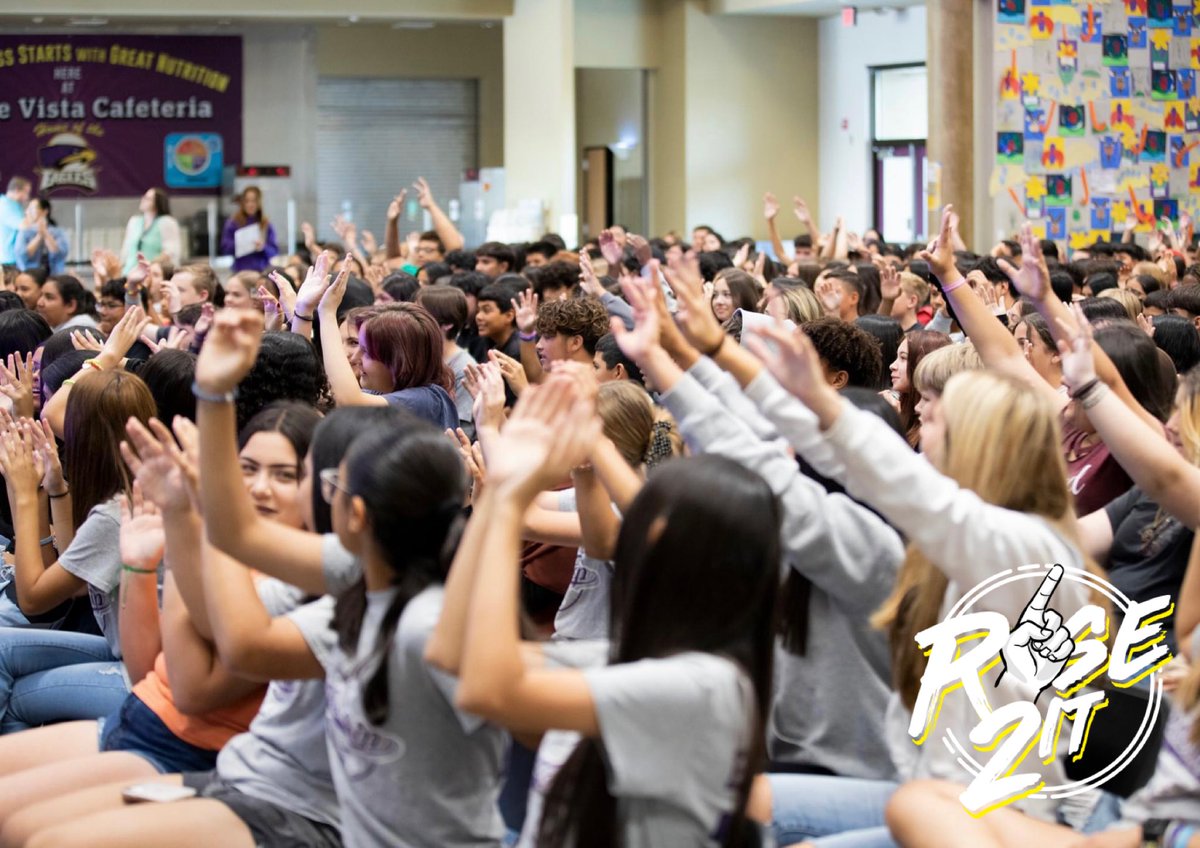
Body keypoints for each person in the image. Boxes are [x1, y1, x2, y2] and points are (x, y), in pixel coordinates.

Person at [192, 308, 508, 846]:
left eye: (312, 479)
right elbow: (236, 534)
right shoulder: (369, 562)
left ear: (354, 511)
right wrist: (215, 395)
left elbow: (244, 646)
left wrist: (509, 489)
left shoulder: (424, 624)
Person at [427, 375, 780, 846]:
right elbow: (453, 654)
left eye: (649, 523)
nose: (632, 532)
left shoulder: (707, 686)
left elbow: (483, 688)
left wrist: (506, 498)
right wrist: (501, 497)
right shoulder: (630, 656)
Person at [316, 264, 458, 428]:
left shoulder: (428, 399)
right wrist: (301, 313)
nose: (356, 358)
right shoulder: (380, 389)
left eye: (367, 352)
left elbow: (348, 401)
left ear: (401, 360)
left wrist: (327, 313)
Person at [415, 285, 478, 437]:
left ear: (447, 324)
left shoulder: (464, 368)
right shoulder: (417, 353)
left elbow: (462, 430)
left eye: (420, 314)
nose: (412, 319)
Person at [120, 188, 181, 274]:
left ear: (157, 203)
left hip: (152, 274)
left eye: (148, 198)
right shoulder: (134, 221)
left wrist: (149, 265)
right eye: (144, 197)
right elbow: (125, 250)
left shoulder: (167, 222)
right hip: (129, 272)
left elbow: (170, 252)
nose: (143, 200)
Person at [220, 187, 278, 273]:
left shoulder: (265, 224)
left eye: (254, 201)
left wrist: (263, 247)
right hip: (240, 270)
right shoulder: (233, 223)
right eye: (247, 201)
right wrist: (240, 244)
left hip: (261, 271)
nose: (250, 204)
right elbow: (224, 247)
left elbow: (274, 251)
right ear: (242, 203)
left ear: (259, 203)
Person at [15, 197, 68, 276]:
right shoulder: (24, 232)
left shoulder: (58, 232)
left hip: (54, 276)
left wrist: (45, 233)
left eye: (32, 208)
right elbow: (21, 256)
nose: (28, 211)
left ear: (45, 211)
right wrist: (39, 236)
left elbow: (59, 255)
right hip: (30, 275)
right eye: (28, 208)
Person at [0, 177, 32, 265]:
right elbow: (25, 226)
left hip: (15, 259)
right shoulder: (6, 205)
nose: (27, 197)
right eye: (26, 193)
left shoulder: (15, 205)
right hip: (8, 260)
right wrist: (30, 210)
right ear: (17, 190)